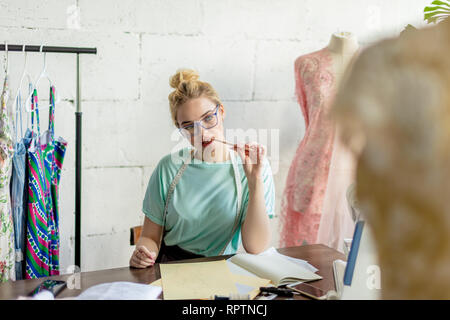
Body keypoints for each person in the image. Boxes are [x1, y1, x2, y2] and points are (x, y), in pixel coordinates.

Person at [129, 69, 275, 268]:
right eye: (188, 126)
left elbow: (256, 247)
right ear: (179, 129)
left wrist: (255, 182)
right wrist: (144, 252)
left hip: (221, 268)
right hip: (171, 267)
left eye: (208, 118)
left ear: (221, 112)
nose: (202, 133)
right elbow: (150, 237)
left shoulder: (254, 166)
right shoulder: (168, 168)